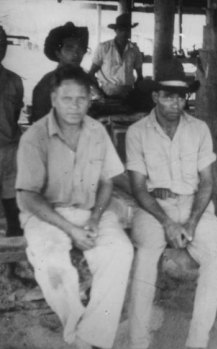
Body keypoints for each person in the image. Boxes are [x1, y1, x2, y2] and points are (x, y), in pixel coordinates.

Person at [15, 65, 133, 349]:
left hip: (90, 211)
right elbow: (28, 196)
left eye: (82, 99)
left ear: (90, 99)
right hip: (45, 216)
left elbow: (107, 181)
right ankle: (76, 327)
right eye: (67, 99)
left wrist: (94, 218)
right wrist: (70, 228)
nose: (75, 106)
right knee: (51, 262)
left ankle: (89, 339)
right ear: (54, 99)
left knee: (120, 251)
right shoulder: (35, 137)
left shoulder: (97, 132)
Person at [125, 59, 217, 349]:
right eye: (168, 95)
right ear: (155, 96)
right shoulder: (137, 132)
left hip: (195, 205)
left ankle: (196, 342)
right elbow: (137, 188)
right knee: (145, 259)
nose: (175, 102)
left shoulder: (199, 129)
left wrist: (191, 222)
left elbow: (207, 182)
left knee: (215, 261)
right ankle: (138, 343)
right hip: (155, 208)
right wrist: (168, 222)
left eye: (181, 96)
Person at [31, 22, 89, 123]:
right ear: (58, 53)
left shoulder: (85, 80)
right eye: (69, 48)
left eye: (80, 48)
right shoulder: (46, 84)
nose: (76, 54)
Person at [0, 25, 23, 237]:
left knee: (11, 199)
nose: (0, 47)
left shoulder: (14, 80)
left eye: (3, 43)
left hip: (8, 148)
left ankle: (14, 256)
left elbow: (15, 115)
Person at [89, 13, 143, 98]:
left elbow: (140, 77)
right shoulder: (104, 47)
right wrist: (99, 93)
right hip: (106, 92)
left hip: (128, 94)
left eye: (127, 30)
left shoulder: (134, 49)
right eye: (121, 30)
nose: (124, 32)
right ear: (115, 30)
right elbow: (91, 73)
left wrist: (136, 93)